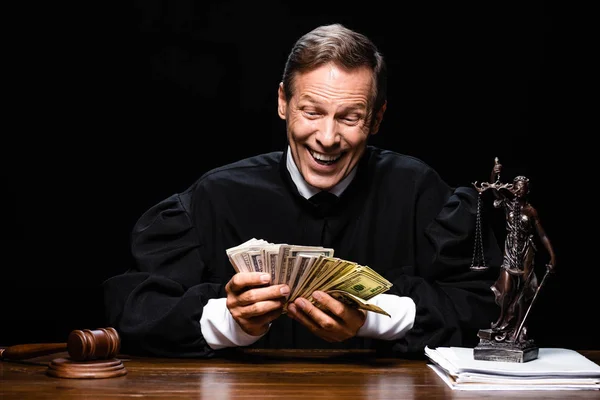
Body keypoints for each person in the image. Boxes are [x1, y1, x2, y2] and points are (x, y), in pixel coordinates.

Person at [103, 23, 503, 358]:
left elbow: (490, 313)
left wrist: (377, 317)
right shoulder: (215, 196)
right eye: (312, 112)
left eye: (350, 117)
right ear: (283, 102)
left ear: (377, 118)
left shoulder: (420, 193)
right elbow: (133, 310)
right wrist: (229, 320)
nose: (327, 138)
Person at [487, 161, 556, 343]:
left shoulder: (531, 211)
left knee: (524, 292)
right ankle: (503, 321)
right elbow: (495, 189)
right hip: (510, 250)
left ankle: (519, 327)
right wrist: (494, 174)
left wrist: (552, 256)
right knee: (507, 289)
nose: (518, 190)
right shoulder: (508, 205)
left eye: (522, 187)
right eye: (516, 186)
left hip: (526, 251)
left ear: (527, 190)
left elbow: (542, 235)